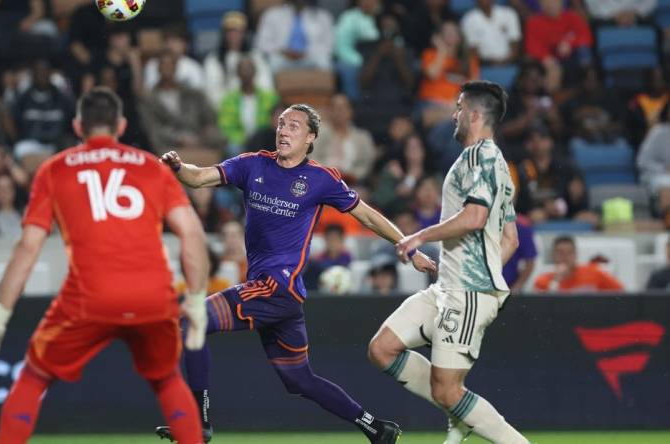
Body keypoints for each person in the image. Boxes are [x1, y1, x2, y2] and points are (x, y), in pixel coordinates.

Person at [155, 103, 436, 444]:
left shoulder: (320, 179)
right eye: (282, 124)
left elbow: (368, 216)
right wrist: (177, 166)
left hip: (277, 287)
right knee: (299, 380)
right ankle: (376, 428)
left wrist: (411, 247)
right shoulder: (252, 164)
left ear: (311, 138)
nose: (284, 130)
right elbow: (198, 178)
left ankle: (199, 425)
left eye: (294, 126)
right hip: (275, 294)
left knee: (192, 320)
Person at [0, 87, 208, 444]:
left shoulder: (53, 170)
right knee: (167, 379)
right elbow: (193, 235)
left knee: (33, 376)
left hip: (88, 298)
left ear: (78, 126)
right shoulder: (153, 168)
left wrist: (0, 315)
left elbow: (28, 247)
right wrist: (196, 302)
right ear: (121, 125)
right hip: (152, 297)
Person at [368, 81, 530, 444]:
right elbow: (510, 239)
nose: (453, 115)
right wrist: (483, 270)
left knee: (447, 391)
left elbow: (474, 217)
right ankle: (462, 414)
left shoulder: (482, 158)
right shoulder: (491, 164)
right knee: (383, 348)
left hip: (467, 293)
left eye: (458, 108)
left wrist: (420, 236)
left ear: (474, 115)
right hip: (449, 287)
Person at [533, 236, 625, 292]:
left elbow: (620, 292)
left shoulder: (594, 272)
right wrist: (556, 281)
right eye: (560, 252)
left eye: (570, 252)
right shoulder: (542, 281)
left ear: (576, 254)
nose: (565, 257)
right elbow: (544, 306)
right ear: (553, 255)